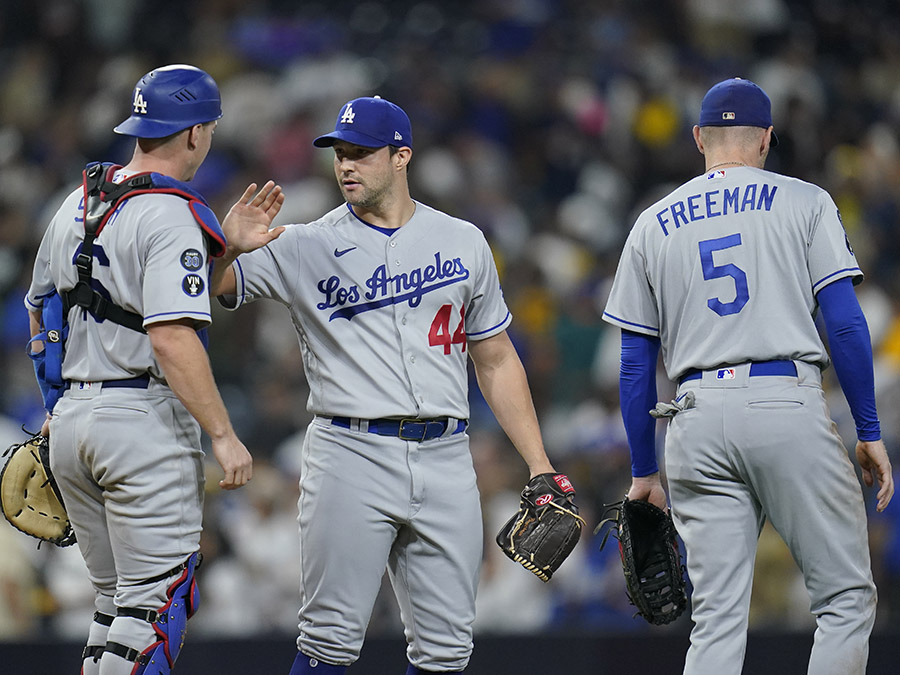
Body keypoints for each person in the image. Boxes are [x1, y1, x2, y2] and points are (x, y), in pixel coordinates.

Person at [211, 95, 570, 674]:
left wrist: (538, 463)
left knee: (447, 652)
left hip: (447, 454)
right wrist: (225, 246)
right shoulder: (304, 243)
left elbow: (497, 359)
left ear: (401, 156)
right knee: (328, 641)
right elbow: (208, 291)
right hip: (349, 450)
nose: (346, 165)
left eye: (362, 154)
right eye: (340, 154)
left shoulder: (462, 240)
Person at [602, 77, 894, 675]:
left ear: (698, 138)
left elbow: (635, 365)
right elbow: (843, 325)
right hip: (782, 400)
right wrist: (868, 429)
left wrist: (643, 471)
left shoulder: (651, 223)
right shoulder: (804, 200)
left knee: (715, 622)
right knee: (843, 599)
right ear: (766, 139)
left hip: (694, 415)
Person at [24, 64, 283, 675]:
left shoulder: (79, 199)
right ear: (194, 134)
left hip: (74, 424)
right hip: (139, 423)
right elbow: (170, 337)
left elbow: (43, 316)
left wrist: (57, 410)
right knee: (154, 611)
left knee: (114, 608)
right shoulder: (169, 214)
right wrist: (222, 434)